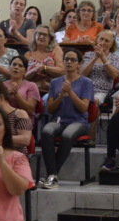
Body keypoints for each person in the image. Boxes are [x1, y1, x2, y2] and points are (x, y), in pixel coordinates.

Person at [40, 49, 94, 189]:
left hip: (78, 121)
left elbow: (84, 108)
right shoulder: (55, 82)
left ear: (79, 64)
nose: (69, 62)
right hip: (59, 120)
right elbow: (50, 109)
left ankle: (52, 175)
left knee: (67, 135)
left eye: (73, 60)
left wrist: (70, 92)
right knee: (46, 131)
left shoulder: (86, 82)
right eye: (66, 59)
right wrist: (60, 95)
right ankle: (53, 175)